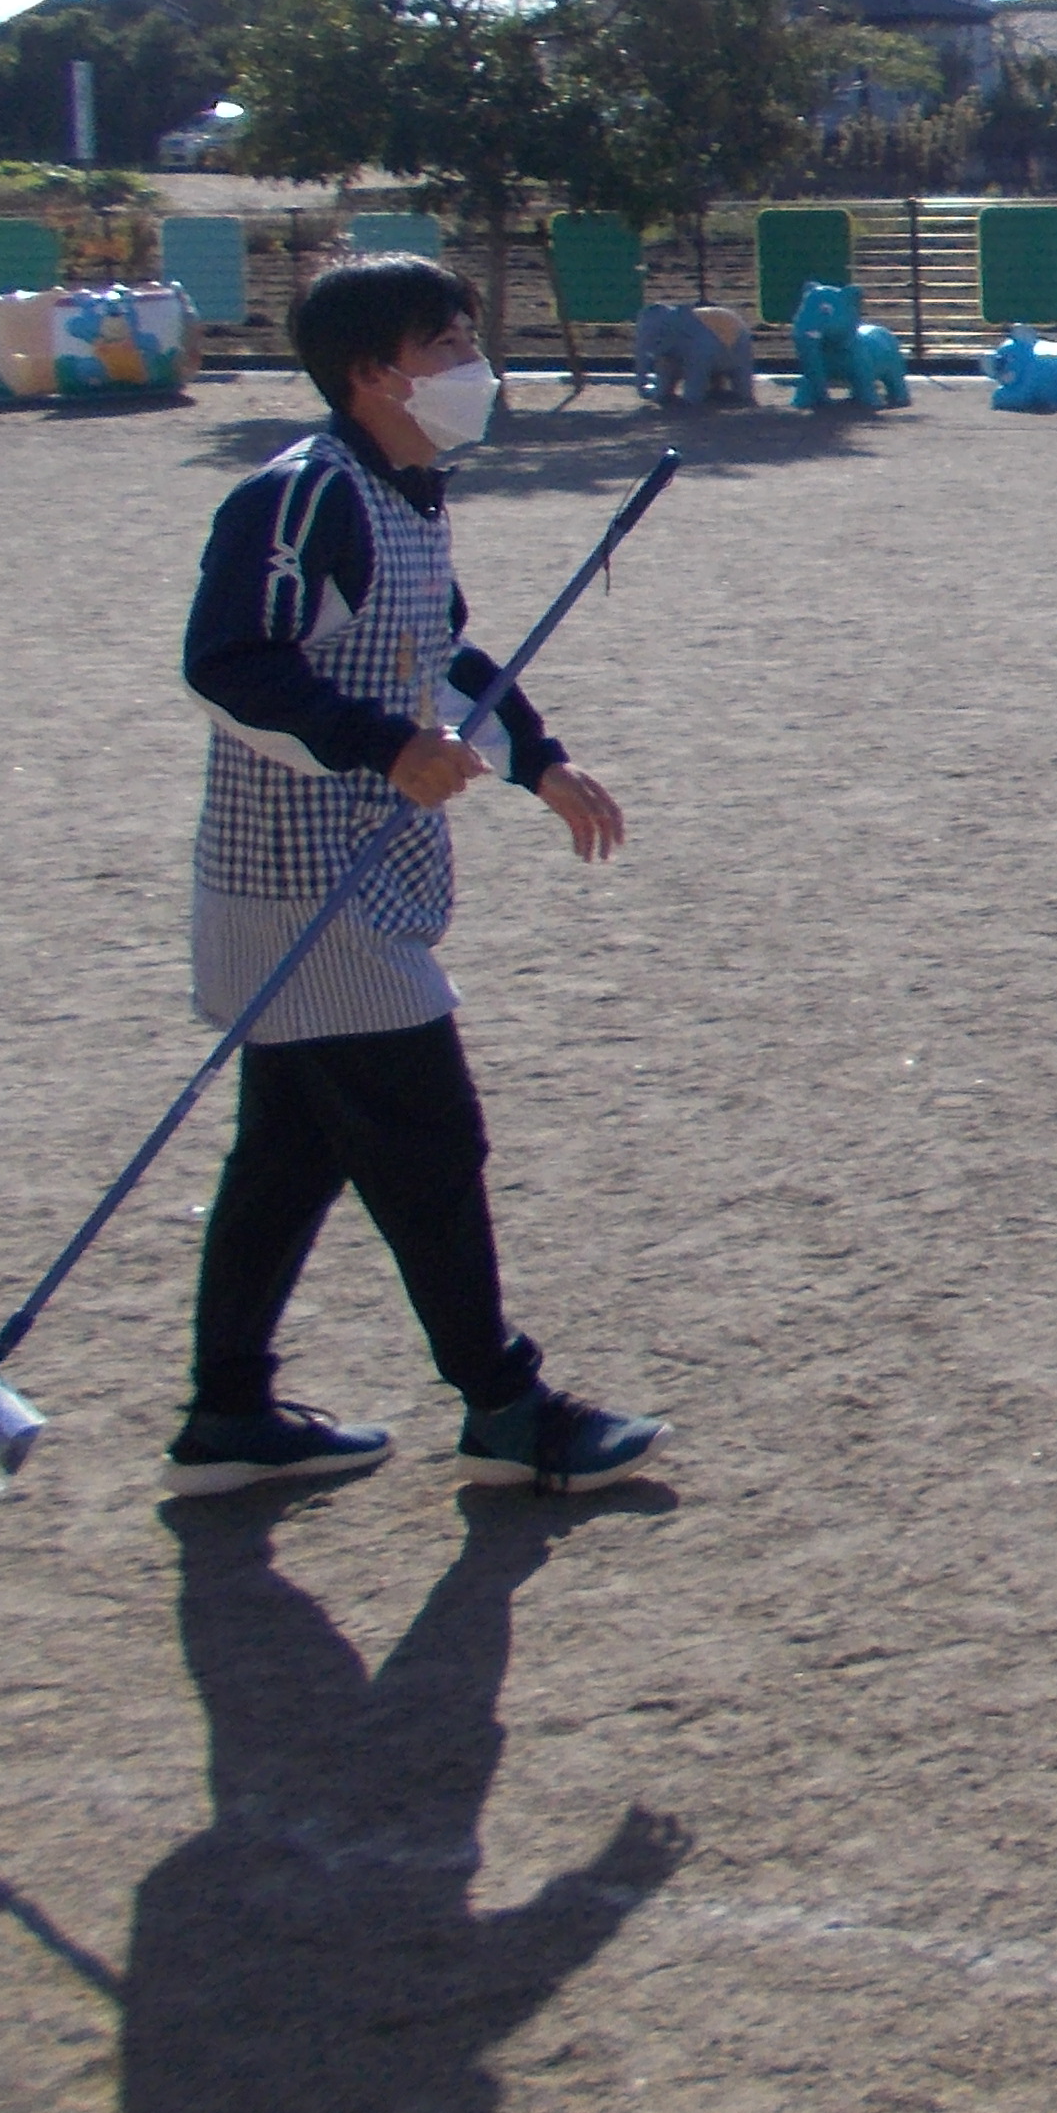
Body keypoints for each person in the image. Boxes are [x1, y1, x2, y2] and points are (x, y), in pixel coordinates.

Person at [164, 254, 665, 1499]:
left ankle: (228, 1415)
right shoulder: (299, 497)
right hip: (301, 889)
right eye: (446, 345)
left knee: (289, 1155)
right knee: (429, 1143)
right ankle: (506, 1407)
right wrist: (385, 748)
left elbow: (438, 656)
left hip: (356, 883)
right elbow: (229, 665)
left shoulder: (409, 495)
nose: (473, 367)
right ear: (373, 374)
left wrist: (536, 760)